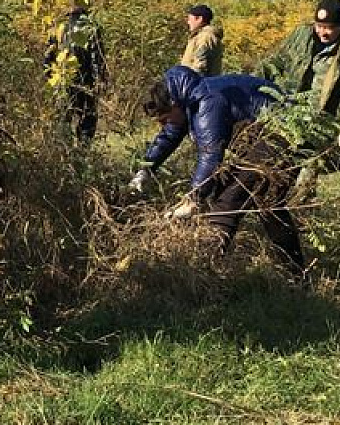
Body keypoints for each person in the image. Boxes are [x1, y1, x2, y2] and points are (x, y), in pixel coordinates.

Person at [130, 65, 306, 273]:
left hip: (281, 134)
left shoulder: (206, 102)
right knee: (268, 205)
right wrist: (146, 168)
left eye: (165, 119)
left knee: (230, 198)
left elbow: (211, 153)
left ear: (174, 104)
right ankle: (296, 273)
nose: (164, 124)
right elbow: (170, 134)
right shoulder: (185, 101)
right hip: (265, 135)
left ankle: (205, 268)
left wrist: (194, 199)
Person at [258, 0, 340, 171]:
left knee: (304, 172)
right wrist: (251, 88)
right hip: (287, 118)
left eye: (329, 28)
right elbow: (271, 64)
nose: (323, 32)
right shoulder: (300, 37)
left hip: (323, 128)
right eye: (319, 26)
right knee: (270, 166)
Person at [44, 0, 108, 143]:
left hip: (62, 79)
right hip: (85, 80)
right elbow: (96, 56)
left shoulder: (57, 28)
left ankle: (63, 150)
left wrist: (49, 78)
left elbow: (48, 56)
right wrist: (101, 79)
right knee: (87, 115)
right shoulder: (91, 27)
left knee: (63, 116)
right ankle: (83, 149)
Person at [180, 3, 223, 77]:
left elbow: (200, 67)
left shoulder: (205, 37)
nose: (188, 22)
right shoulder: (202, 36)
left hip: (198, 86)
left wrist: (186, 83)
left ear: (199, 19)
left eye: (190, 19)